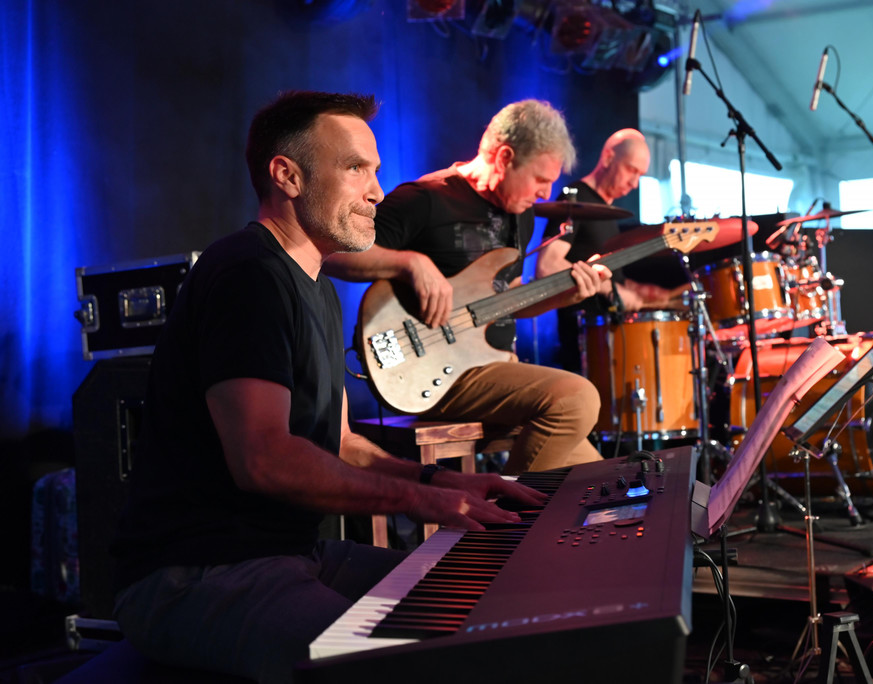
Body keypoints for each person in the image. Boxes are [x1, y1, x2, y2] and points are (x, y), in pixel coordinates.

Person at [109, 91, 546, 683]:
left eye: (376, 171)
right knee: (400, 667)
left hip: (290, 553)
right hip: (196, 571)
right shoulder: (247, 274)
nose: (377, 192)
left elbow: (339, 442)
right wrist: (422, 503)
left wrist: (443, 482)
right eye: (356, 168)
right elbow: (263, 459)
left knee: (484, 601)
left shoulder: (315, 284)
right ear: (287, 176)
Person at [324, 99, 610, 475]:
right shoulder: (425, 198)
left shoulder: (520, 213)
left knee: (602, 481)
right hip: (437, 369)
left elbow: (508, 299)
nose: (545, 193)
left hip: (495, 365)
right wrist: (410, 263)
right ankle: (504, 509)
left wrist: (565, 294)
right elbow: (334, 254)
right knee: (578, 397)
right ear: (505, 157)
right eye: (541, 179)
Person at [535, 128, 672, 373]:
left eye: (640, 175)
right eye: (631, 170)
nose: (634, 183)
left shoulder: (607, 213)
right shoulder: (575, 199)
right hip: (585, 340)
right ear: (608, 158)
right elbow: (547, 266)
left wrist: (641, 292)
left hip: (610, 335)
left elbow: (608, 274)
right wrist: (612, 290)